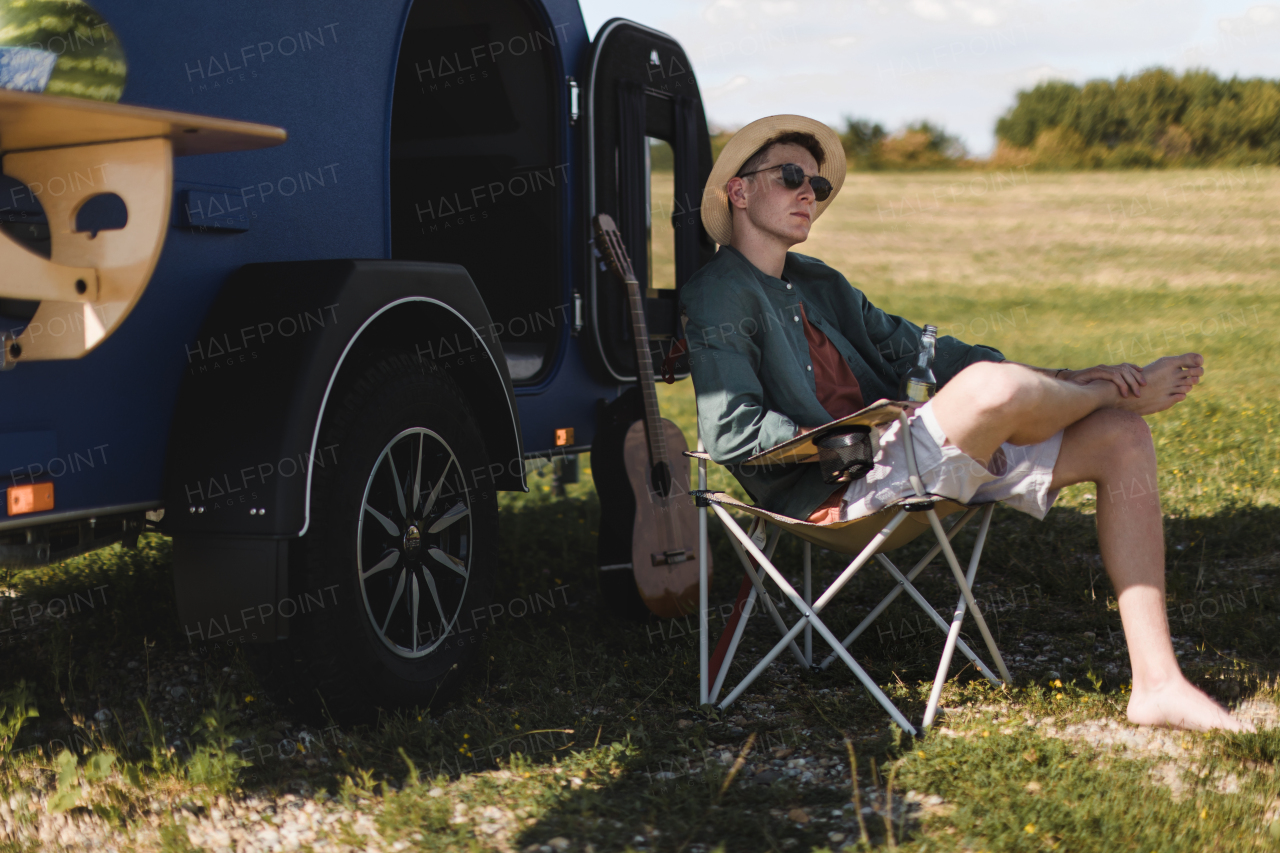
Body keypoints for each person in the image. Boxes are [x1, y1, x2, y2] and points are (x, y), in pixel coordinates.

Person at [679, 114, 1250, 733]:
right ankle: (1094, 393)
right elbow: (733, 431)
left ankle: (1158, 683)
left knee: (1121, 437)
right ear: (739, 191)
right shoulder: (718, 295)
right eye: (791, 176)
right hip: (839, 488)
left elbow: (924, 354)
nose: (807, 194)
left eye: (817, 185)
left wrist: (1065, 371)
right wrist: (853, 436)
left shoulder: (819, 282)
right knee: (991, 391)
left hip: (911, 458)